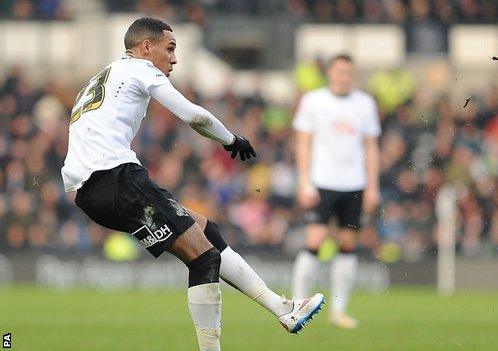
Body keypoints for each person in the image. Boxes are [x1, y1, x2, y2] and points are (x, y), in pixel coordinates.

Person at [61, 17, 324, 351]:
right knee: (202, 258)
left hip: (90, 191)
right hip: (116, 177)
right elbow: (193, 115)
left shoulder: (102, 77)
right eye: (169, 49)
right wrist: (231, 139)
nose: (174, 59)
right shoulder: (140, 69)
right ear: (146, 47)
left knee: (206, 232)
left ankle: (282, 308)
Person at [291, 54, 381, 329]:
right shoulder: (313, 101)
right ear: (330, 72)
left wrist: (372, 185)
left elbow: (370, 146)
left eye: (348, 72)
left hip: (353, 183)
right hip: (322, 182)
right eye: (339, 71)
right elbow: (303, 142)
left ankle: (339, 311)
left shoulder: (364, 103)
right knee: (315, 240)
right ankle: (296, 305)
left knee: (348, 245)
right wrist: (304, 180)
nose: (344, 76)